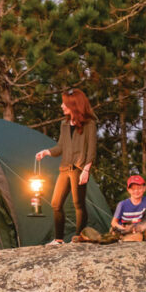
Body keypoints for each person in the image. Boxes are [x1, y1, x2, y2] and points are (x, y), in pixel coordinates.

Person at [35, 88, 97, 245]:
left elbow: (92, 149)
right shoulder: (64, 124)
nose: (62, 106)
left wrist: (86, 170)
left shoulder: (89, 124)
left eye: (64, 103)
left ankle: (79, 237)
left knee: (78, 203)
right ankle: (59, 239)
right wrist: (47, 152)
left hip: (78, 168)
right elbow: (60, 147)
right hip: (64, 169)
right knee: (56, 203)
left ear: (73, 105)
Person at [110, 174, 146, 239]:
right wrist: (122, 228)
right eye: (133, 189)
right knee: (114, 231)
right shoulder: (122, 204)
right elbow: (113, 222)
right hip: (125, 230)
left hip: (141, 229)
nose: (136, 191)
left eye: (139, 188)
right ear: (128, 190)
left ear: (144, 188)